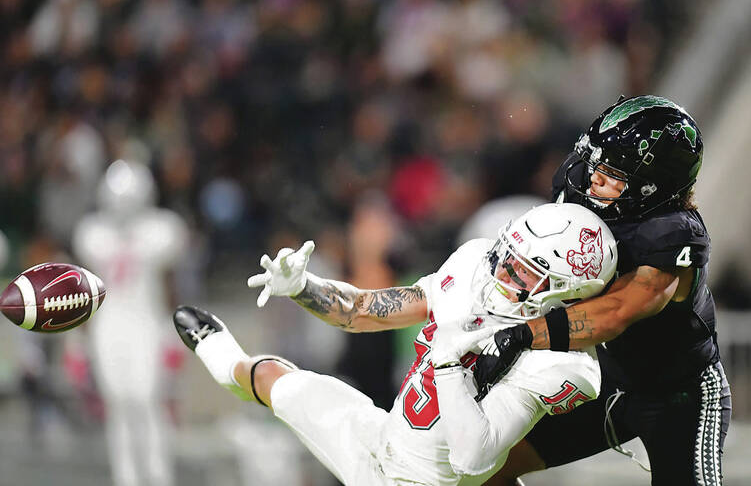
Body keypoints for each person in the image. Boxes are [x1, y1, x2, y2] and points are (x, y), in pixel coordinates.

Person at [173, 202, 618, 485]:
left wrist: (448, 367)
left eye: (522, 271)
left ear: (566, 292)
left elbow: (473, 457)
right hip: (382, 435)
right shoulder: (474, 267)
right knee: (276, 380)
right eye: (506, 256)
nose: (500, 273)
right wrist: (303, 286)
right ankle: (220, 353)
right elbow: (364, 310)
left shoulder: (564, 364)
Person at [474, 95, 732, 486]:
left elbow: (617, 311)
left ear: (652, 186)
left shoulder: (675, 233)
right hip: (606, 379)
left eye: (611, 172)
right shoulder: (582, 182)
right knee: (484, 468)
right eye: (596, 162)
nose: (592, 177)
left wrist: (525, 335)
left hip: (680, 394)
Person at [72, 159, 189, 486]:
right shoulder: (93, 232)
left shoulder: (161, 229)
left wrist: (173, 330)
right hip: (109, 324)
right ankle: (126, 478)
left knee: (147, 398)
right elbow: (87, 290)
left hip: (146, 321)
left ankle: (158, 475)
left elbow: (170, 282)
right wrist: (79, 341)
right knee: (119, 403)